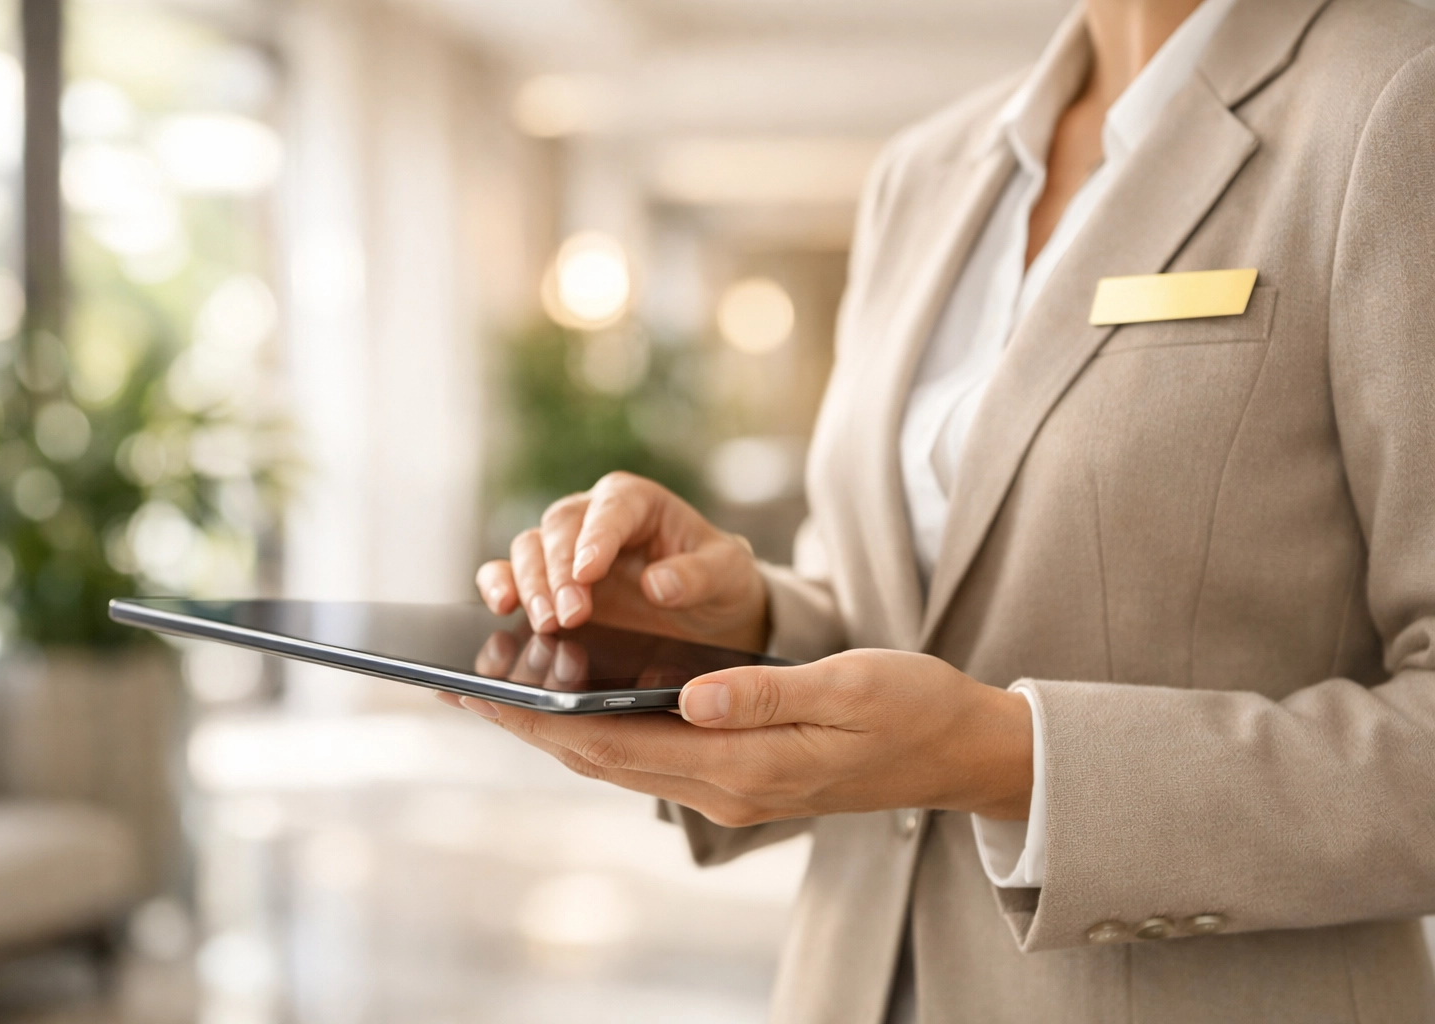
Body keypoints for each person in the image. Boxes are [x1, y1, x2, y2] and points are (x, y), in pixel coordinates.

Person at [449, 0, 1435, 1019]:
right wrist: (740, 622)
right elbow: (900, 609)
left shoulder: (1398, 102)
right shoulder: (922, 172)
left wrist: (1012, 762)